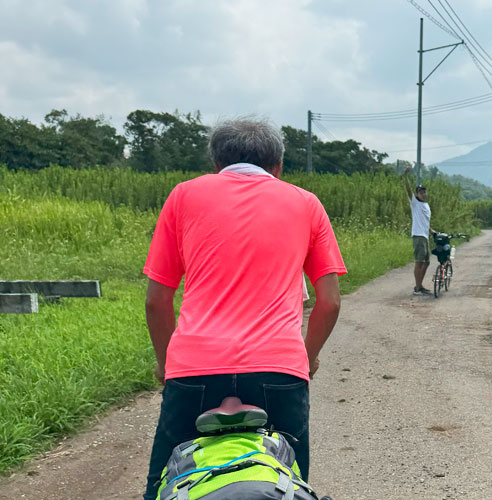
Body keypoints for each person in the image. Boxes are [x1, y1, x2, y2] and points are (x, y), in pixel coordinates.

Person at [142, 118, 346, 500]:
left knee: (163, 484)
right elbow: (330, 301)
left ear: (216, 164)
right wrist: (308, 358)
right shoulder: (306, 203)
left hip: (194, 368)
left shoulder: (184, 196)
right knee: (285, 483)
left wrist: (165, 363)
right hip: (278, 370)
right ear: (278, 167)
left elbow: (157, 300)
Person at [403, 166, 435, 295]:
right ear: (417, 195)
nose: (423, 194)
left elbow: (424, 221)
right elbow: (408, 190)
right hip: (418, 236)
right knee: (419, 261)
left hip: (425, 236)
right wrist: (405, 176)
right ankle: (417, 288)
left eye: (424, 192)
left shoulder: (426, 205)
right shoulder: (415, 203)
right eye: (421, 192)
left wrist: (431, 230)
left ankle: (420, 285)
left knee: (426, 262)